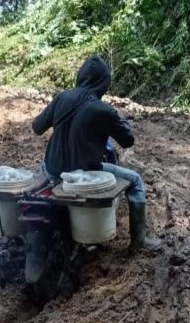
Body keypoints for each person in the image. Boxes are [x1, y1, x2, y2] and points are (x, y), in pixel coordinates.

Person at [31, 55, 161, 252]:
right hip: (83, 176)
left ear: (80, 77)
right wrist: (118, 117)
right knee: (135, 181)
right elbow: (128, 141)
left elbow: (37, 127)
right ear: (104, 83)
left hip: (51, 170)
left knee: (42, 168)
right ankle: (140, 241)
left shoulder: (61, 98)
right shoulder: (103, 110)